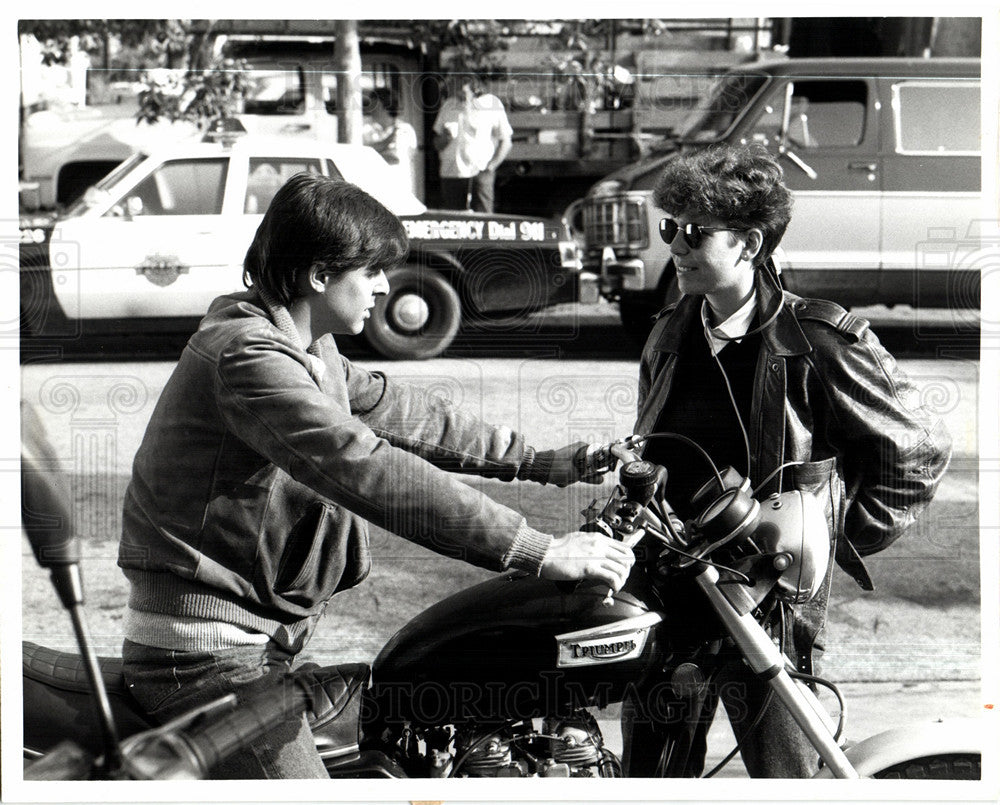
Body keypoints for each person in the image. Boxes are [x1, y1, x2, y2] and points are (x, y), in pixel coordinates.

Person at [117, 173, 632, 779]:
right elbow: (366, 467)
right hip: (205, 656)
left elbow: (409, 417)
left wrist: (550, 461)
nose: (385, 287)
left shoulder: (310, 349)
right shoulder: (246, 357)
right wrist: (534, 549)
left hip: (263, 645)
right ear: (319, 274)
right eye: (371, 271)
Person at [621, 144, 952, 777]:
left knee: (789, 774)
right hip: (674, 584)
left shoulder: (817, 338)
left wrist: (831, 536)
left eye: (694, 233)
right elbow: (649, 439)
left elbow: (915, 449)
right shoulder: (668, 331)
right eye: (670, 229)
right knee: (654, 773)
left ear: (748, 244)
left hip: (771, 600)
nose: (677, 247)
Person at [432, 74, 512, 213]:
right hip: (451, 174)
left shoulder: (490, 104)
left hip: (480, 173)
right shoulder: (449, 105)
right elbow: (436, 144)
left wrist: (491, 166)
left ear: (475, 90)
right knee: (451, 222)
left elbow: (506, 140)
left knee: (483, 219)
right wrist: (446, 137)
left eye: (463, 93)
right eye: (457, 92)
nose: (459, 97)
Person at [362, 88, 419, 198]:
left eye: (374, 103)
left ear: (385, 104)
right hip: (373, 191)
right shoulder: (365, 129)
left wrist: (376, 152)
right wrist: (387, 142)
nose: (369, 107)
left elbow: (397, 158)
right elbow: (361, 154)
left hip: (400, 190)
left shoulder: (405, 130)